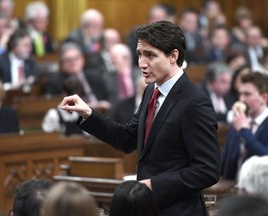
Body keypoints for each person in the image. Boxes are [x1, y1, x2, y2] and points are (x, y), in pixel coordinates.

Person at [60, 21, 220, 216]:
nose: (142, 63)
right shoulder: (151, 90)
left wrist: (153, 185)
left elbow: (207, 170)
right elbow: (127, 138)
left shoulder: (194, 101)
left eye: (150, 55)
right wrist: (89, 114)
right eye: (140, 54)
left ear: (173, 56)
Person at [221, 72, 268, 180]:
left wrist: (244, 131)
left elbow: (265, 158)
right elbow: (226, 162)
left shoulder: (242, 126)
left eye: (247, 94)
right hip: (234, 188)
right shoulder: (238, 122)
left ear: (264, 97)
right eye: (240, 94)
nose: (241, 99)